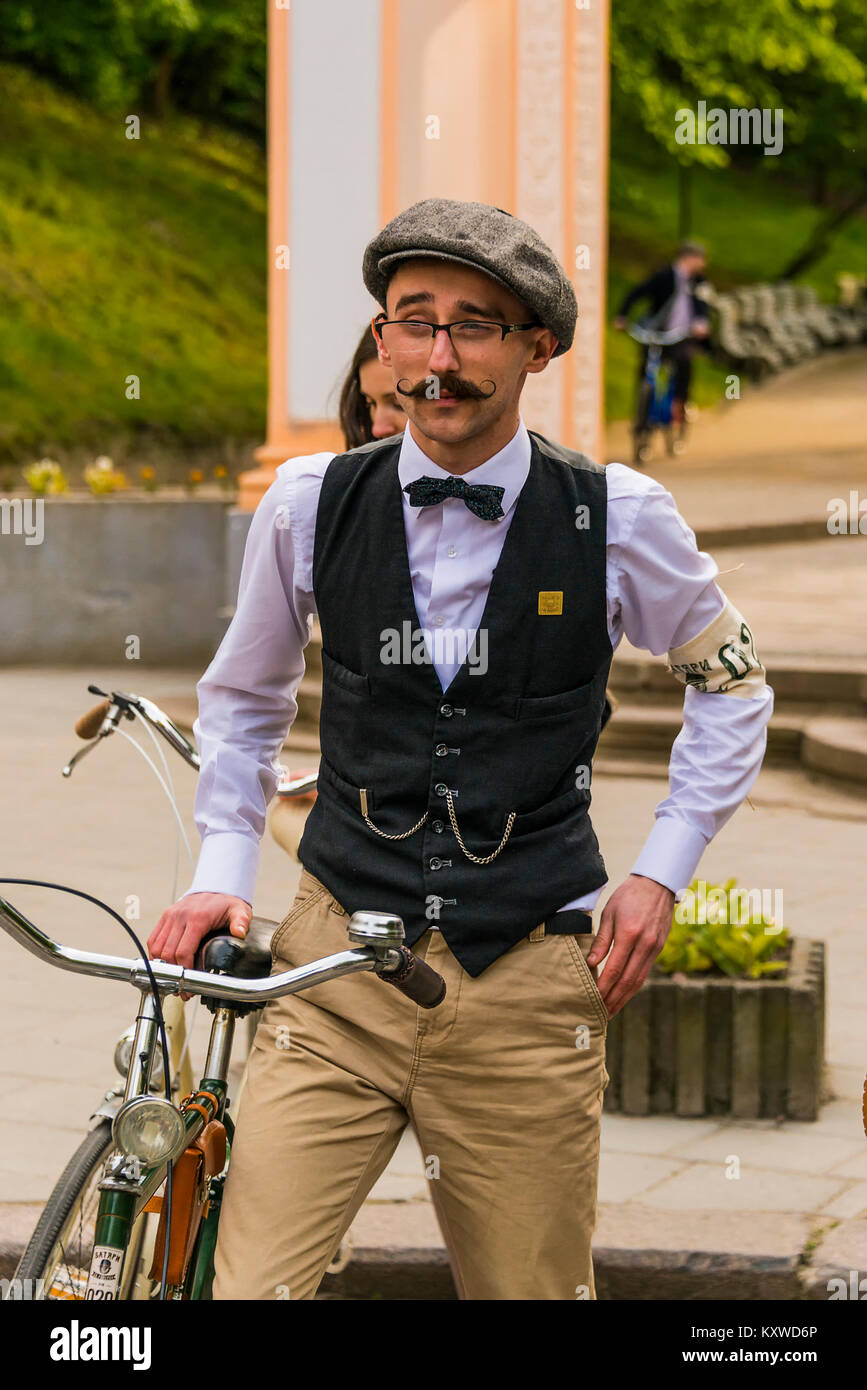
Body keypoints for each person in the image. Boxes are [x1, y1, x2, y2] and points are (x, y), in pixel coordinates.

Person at [148, 198, 773, 1300]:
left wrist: (661, 873)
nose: (440, 359)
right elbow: (243, 699)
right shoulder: (306, 504)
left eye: (475, 326)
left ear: (538, 347)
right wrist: (220, 871)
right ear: (382, 342)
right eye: (415, 321)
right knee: (242, 1291)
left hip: (526, 987)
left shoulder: (620, 518)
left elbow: (733, 684)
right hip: (333, 973)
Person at [614, 239, 711, 431]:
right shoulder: (664, 276)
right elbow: (637, 293)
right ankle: (642, 414)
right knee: (646, 367)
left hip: (681, 335)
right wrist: (622, 316)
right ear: (689, 258)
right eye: (700, 259)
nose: (703, 264)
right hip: (657, 334)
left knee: (684, 362)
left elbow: (702, 305)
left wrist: (701, 322)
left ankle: (679, 405)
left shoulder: (699, 282)